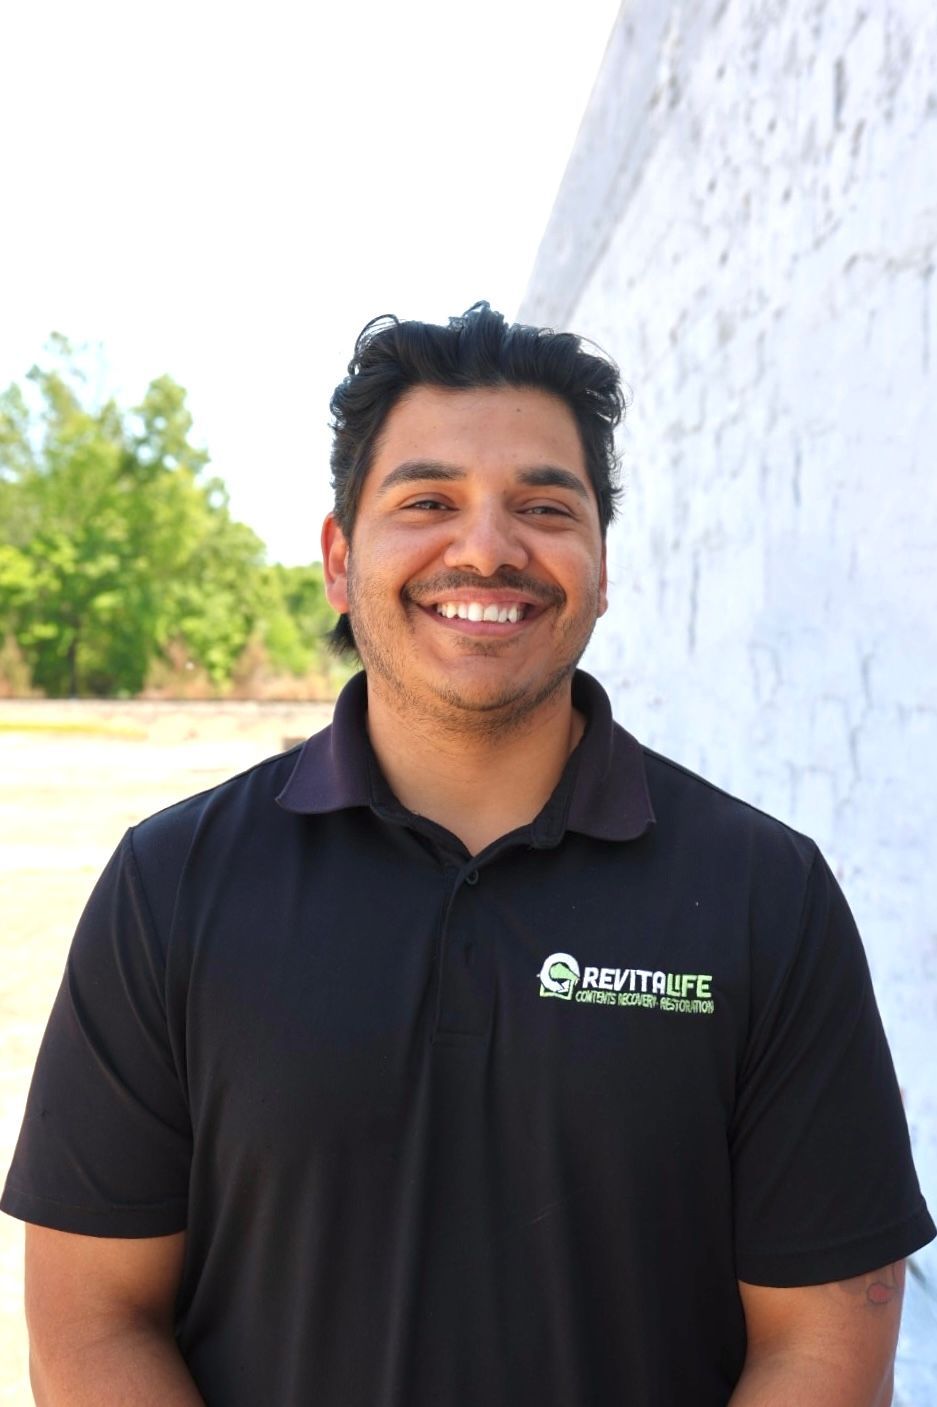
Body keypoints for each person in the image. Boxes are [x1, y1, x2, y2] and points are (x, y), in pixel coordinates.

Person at [4, 303, 934, 1407]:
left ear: (599, 562)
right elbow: (92, 1317)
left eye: (544, 505)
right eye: (428, 501)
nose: (487, 546)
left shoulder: (763, 897)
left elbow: (825, 1345)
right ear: (341, 560)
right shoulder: (170, 887)